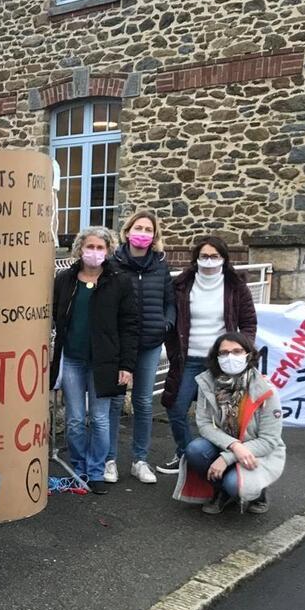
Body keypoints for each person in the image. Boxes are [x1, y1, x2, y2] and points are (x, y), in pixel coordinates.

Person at [50, 227, 138, 494]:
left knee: (100, 419)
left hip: (105, 361)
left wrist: (126, 365)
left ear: (109, 251)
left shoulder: (120, 281)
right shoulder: (65, 279)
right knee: (76, 419)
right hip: (73, 359)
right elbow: (55, 315)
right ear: (80, 248)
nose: (95, 252)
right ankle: (79, 469)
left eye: (100, 248)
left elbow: (130, 325)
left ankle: (97, 470)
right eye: (90, 247)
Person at [158, 236, 257, 474]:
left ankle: (220, 460)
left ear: (224, 258)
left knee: (223, 415)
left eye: (215, 256)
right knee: (176, 407)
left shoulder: (235, 286)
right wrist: (173, 350)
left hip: (221, 363)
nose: (209, 261)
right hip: (188, 360)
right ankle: (186, 454)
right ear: (196, 259)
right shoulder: (181, 285)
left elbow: (249, 323)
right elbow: (171, 319)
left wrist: (239, 352)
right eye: (204, 256)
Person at [172, 332, 284, 514]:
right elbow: (204, 424)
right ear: (216, 357)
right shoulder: (207, 383)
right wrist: (232, 445)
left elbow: (269, 440)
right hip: (224, 444)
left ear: (248, 354)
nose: (230, 357)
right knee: (194, 450)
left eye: (237, 351)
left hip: (256, 452)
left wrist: (228, 457)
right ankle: (220, 491)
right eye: (224, 353)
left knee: (235, 484)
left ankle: (258, 492)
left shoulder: (265, 389)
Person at [105, 210, 175, 485]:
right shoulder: (114, 262)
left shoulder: (160, 264)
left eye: (148, 229)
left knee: (144, 403)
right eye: (138, 227)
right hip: (120, 345)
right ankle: (109, 459)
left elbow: (170, 300)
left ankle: (139, 460)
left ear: (154, 235)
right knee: (113, 402)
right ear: (127, 231)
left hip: (149, 343)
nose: (143, 233)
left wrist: (166, 323)